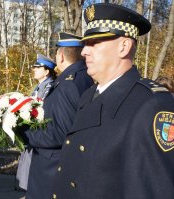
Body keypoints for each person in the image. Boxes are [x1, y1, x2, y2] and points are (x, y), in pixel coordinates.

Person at [52, 3, 174, 199]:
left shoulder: (151, 105)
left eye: (95, 43)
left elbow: (154, 190)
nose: (84, 51)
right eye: (85, 43)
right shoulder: (89, 95)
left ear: (123, 47)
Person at [21, 32, 93, 199]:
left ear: (60, 56)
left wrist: (24, 132)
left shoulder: (68, 83)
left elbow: (59, 133)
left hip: (52, 167)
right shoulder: (83, 77)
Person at [16, 53, 57, 191]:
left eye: (38, 67)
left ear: (47, 71)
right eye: (34, 67)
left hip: (38, 134)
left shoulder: (48, 86)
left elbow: (41, 110)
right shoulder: (39, 86)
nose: (34, 69)